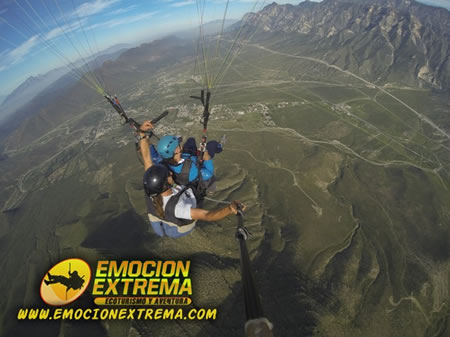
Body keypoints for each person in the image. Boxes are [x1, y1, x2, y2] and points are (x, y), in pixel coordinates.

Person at [138, 121, 244, 238]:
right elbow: (208, 215)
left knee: (190, 145)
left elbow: (147, 158)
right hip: (178, 229)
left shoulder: (152, 187)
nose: (170, 173)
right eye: (168, 174)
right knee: (202, 150)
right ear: (165, 184)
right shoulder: (178, 207)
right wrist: (229, 209)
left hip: (160, 225)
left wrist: (142, 133)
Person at [151, 134, 223, 196]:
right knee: (212, 144)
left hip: (185, 159)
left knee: (191, 141)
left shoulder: (162, 164)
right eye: (178, 143)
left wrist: (146, 140)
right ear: (177, 150)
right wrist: (207, 159)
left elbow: (154, 156)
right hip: (193, 165)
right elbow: (208, 174)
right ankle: (219, 146)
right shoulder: (191, 170)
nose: (180, 143)